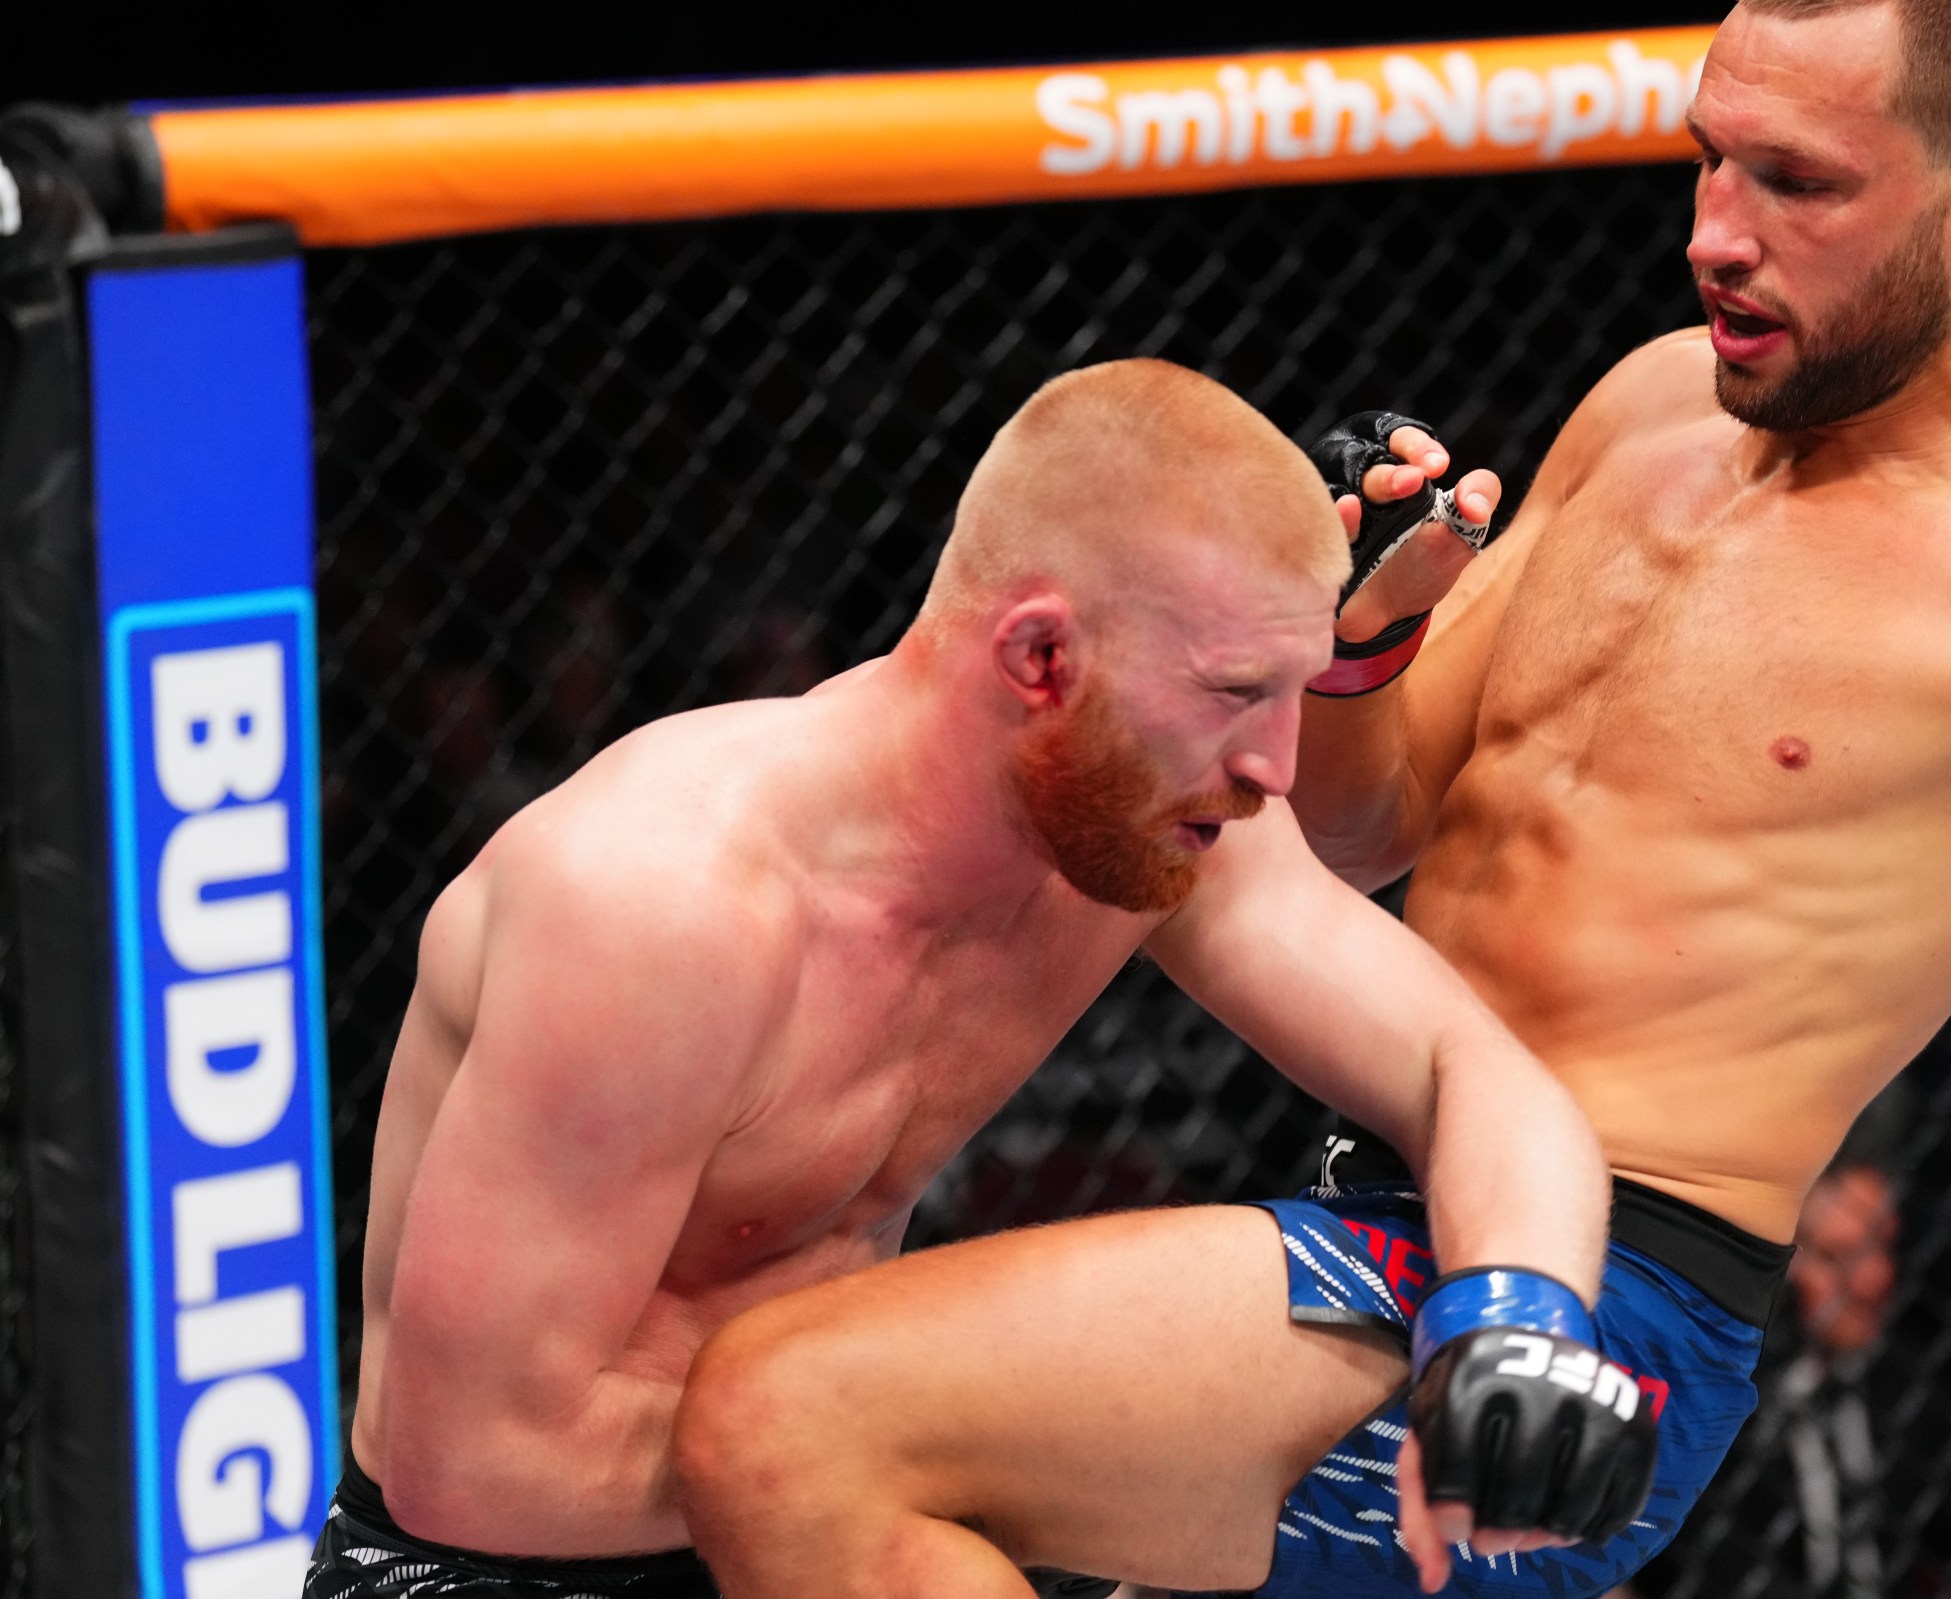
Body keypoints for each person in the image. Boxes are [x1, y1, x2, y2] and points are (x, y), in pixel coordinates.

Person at [675, 1, 1951, 1595]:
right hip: (1367, 1203)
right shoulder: (1650, 406)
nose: (1716, 230)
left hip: (1603, 1295)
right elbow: (1372, 825)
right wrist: (1362, 644)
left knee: (792, 1417)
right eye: (1711, 155)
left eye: (1797, 182)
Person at [303, 359, 1648, 1598]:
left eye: (1297, 693)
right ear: (1042, 658)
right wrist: (957, 1447)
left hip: (833, 1505)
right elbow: (467, 1460)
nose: (1276, 768)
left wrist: (1514, 1320)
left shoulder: (1150, 829)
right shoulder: (666, 905)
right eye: (1239, 691)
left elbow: (1467, 1073)